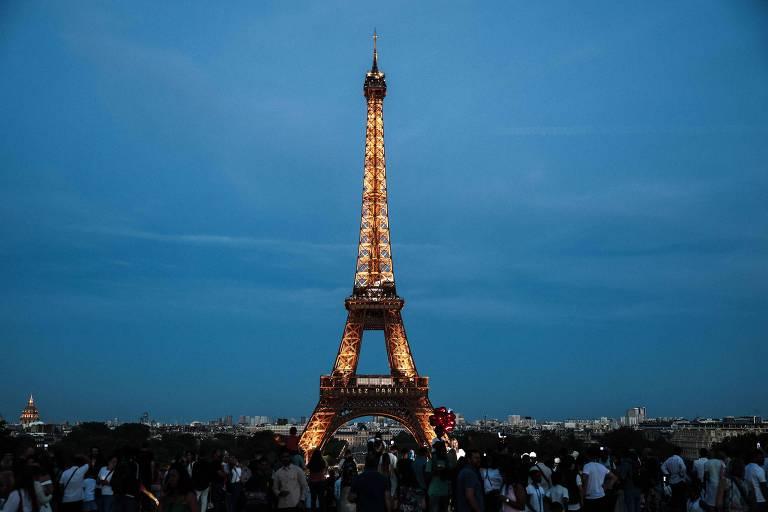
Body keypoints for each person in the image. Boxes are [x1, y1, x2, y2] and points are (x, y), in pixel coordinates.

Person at [581, 446, 617, 512]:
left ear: (588, 455)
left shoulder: (586, 466)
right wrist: (606, 487)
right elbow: (614, 477)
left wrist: (583, 495)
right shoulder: (602, 467)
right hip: (601, 496)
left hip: (590, 497)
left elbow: (585, 480)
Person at [425, 441, 452, 512]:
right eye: (442, 449)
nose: (443, 451)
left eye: (444, 450)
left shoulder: (446, 462)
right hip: (437, 492)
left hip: (440, 492)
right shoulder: (432, 462)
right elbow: (427, 477)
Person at [662, 448, 689, 512]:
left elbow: (662, 467)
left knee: (673, 499)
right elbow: (684, 468)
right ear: (680, 453)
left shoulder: (669, 459)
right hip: (679, 482)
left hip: (671, 482)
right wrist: (681, 474)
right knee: (681, 499)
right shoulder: (679, 459)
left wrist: (667, 473)